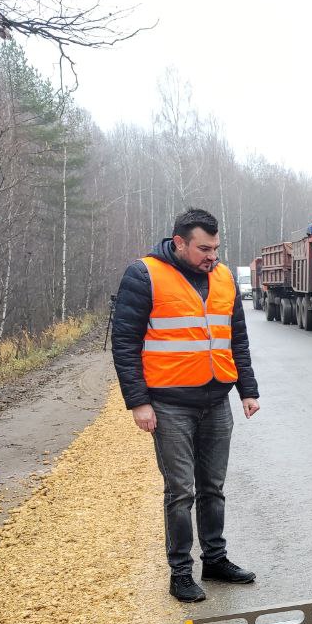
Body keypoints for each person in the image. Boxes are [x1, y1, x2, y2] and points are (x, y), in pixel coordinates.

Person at [111, 208, 260, 602]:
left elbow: (237, 338)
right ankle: (180, 572)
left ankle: (215, 559)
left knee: (214, 487)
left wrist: (248, 389)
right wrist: (138, 403)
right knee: (180, 490)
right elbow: (125, 344)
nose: (211, 256)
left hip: (216, 400)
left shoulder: (224, 278)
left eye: (215, 248)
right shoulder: (144, 275)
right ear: (179, 243)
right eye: (203, 248)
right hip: (170, 404)